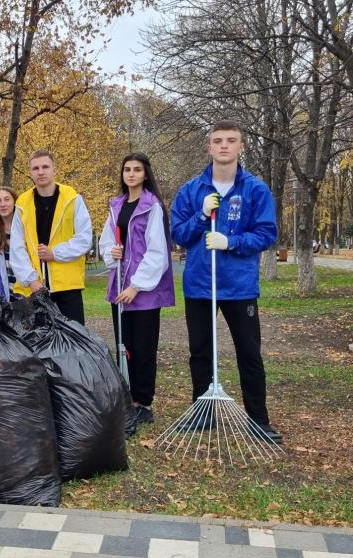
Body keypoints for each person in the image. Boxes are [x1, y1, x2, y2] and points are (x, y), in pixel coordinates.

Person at [169, 119, 283, 444]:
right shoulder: (192, 191)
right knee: (200, 351)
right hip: (200, 285)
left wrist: (230, 242)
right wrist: (201, 216)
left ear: (240, 146)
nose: (223, 146)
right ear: (209, 147)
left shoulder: (255, 189)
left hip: (239, 287)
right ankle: (202, 415)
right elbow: (179, 234)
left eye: (230, 140)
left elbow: (266, 234)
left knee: (249, 352)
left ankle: (259, 421)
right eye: (217, 140)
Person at [98, 153, 175, 424]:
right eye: (127, 169)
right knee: (124, 345)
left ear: (145, 174)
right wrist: (111, 252)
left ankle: (143, 402)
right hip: (119, 287)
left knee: (143, 347)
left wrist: (136, 286)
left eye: (137, 170)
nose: (131, 174)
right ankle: (127, 397)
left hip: (143, 291)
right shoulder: (116, 205)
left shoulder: (151, 206)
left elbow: (157, 252)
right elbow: (106, 240)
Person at [10, 149, 93, 324]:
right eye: (35, 168)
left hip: (67, 286)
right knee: (37, 345)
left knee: (73, 343)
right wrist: (31, 280)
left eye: (45, 167)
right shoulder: (22, 204)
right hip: (35, 288)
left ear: (55, 170)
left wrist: (54, 253)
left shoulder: (72, 198)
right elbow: (17, 247)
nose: (40, 172)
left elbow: (84, 238)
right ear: (30, 173)